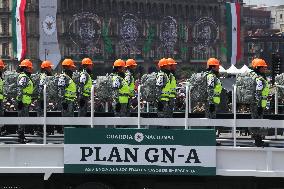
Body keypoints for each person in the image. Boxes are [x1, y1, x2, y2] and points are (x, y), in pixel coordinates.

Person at [249, 58, 270, 146]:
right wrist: (259, 106)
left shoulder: (255, 76)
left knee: (256, 121)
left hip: (256, 104)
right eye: (263, 67)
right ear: (258, 68)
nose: (265, 69)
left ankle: (257, 139)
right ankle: (258, 141)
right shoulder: (259, 79)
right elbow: (258, 92)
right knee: (257, 121)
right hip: (258, 105)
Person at [17, 59, 34, 143]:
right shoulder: (24, 77)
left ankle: (22, 136)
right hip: (23, 102)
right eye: (30, 68)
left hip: (25, 101)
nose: (31, 69)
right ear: (26, 68)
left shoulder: (26, 77)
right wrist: (20, 101)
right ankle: (20, 137)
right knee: (22, 119)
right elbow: (20, 89)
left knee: (24, 119)